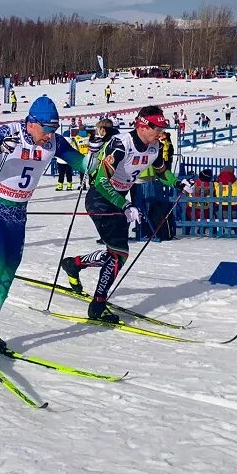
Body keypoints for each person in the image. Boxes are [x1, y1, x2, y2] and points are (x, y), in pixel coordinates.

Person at [0, 96, 88, 353]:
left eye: (54, 130)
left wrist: (95, 153)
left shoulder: (54, 142)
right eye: (46, 130)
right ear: (31, 123)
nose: (49, 136)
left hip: (18, 213)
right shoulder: (9, 132)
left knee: (9, 273)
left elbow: (83, 164)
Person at [60, 106, 185, 321]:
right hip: (100, 199)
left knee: (115, 254)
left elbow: (161, 171)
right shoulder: (121, 145)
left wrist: (178, 183)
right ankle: (98, 305)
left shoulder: (154, 147)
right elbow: (100, 181)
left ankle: (75, 264)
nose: (161, 132)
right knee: (119, 253)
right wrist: (125, 205)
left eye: (162, 128)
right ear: (142, 125)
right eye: (157, 128)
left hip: (118, 201)